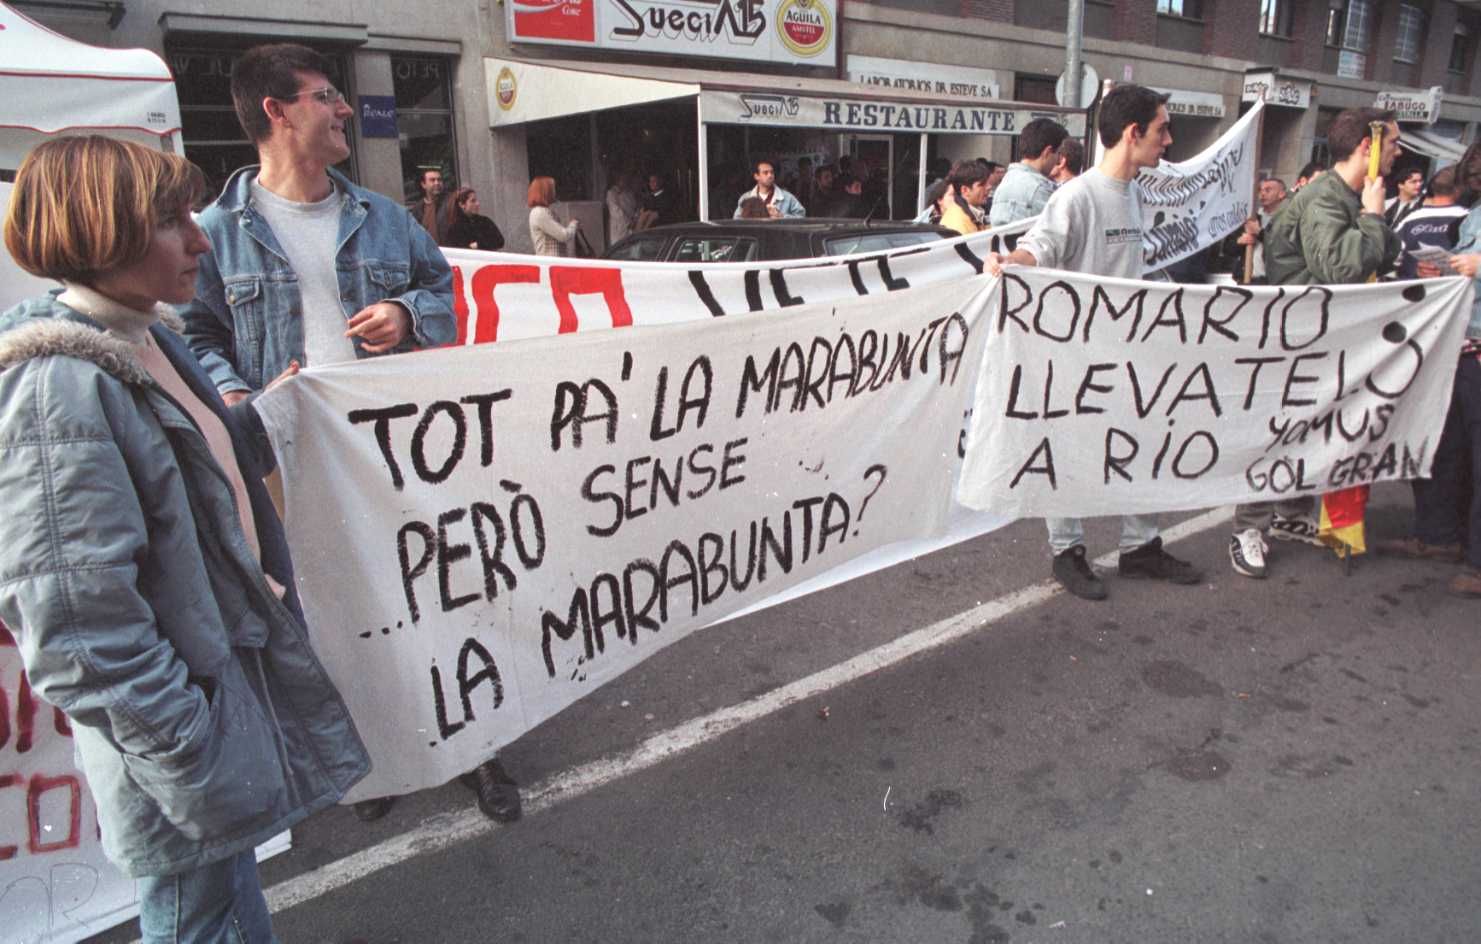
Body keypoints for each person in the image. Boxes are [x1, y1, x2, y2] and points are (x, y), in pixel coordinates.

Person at [0, 135, 370, 943]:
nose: (201, 240)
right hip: (187, 728)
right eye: (174, 223)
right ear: (103, 230)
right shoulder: (56, 390)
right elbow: (77, 627)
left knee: (223, 906)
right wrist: (190, 751)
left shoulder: (148, 337)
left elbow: (194, 471)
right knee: (198, 921)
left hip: (218, 694)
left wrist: (272, 416)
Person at [174, 44, 519, 826]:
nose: (343, 110)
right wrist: (239, 395)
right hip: (288, 460)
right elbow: (193, 335)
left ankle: (478, 744)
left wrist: (406, 316)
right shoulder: (216, 231)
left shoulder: (382, 216)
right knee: (340, 613)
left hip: (398, 453)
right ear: (276, 111)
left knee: (441, 595)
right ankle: (386, 752)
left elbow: (442, 289)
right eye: (326, 96)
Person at [988, 83, 1204, 601]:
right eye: (1162, 129)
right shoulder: (1076, 196)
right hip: (1075, 358)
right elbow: (1038, 248)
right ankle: (1068, 551)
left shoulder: (1134, 192)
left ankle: (1141, 546)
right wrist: (1009, 264)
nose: (1169, 140)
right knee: (1067, 449)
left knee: (1143, 441)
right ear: (1133, 134)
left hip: (1127, 351)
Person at [1230, 107, 1402, 579]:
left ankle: (1287, 509)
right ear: (1367, 148)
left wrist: (1372, 220)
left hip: (1321, 338)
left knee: (1313, 427)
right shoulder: (1329, 198)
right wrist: (1371, 217)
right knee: (1282, 430)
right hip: (1299, 340)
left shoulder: (1345, 195)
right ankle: (1249, 528)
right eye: (1391, 142)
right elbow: (1341, 270)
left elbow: (1385, 252)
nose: (1398, 151)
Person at [1383, 146, 1481, 597]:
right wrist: (1438, 270)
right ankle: (1441, 535)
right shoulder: (1475, 214)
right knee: (1447, 449)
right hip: (1462, 346)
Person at [1389, 166, 1465, 281]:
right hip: (1454, 293)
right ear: (1459, 189)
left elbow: (1391, 259)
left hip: (1411, 292)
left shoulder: (1409, 219)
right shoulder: (1470, 219)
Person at [990, 117, 1069, 227]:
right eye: (1058, 154)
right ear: (1047, 152)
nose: (1059, 160)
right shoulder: (1039, 189)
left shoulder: (1007, 180)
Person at [1221, 175, 1287, 283]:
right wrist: (1240, 242)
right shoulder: (1251, 219)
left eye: (1268, 190)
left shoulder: (1286, 219)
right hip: (1247, 279)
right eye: (1260, 190)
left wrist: (1259, 233)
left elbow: (1282, 245)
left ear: (1281, 194)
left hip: (1273, 281)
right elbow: (1227, 249)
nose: (1263, 193)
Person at [734, 158, 805, 219]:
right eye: (765, 173)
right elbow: (737, 221)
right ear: (756, 176)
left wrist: (782, 216)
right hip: (753, 234)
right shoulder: (746, 198)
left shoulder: (787, 197)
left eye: (772, 172)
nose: (770, 175)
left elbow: (802, 217)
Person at [529, 175, 581, 257]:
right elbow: (563, 235)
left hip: (552, 262)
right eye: (552, 189)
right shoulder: (540, 213)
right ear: (545, 191)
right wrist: (574, 224)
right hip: (549, 262)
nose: (555, 192)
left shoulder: (541, 211)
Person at [441, 187, 505, 251]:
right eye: (473, 201)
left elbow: (499, 241)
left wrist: (477, 244)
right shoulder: (454, 228)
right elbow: (460, 251)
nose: (477, 204)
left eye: (476, 200)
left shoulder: (485, 221)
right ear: (462, 205)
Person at [940, 160, 990, 236]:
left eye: (988, 183)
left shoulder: (972, 214)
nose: (989, 187)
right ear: (965, 190)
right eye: (982, 184)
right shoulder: (957, 223)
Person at [406, 167, 447, 242]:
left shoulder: (449, 203)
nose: (437, 183)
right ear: (423, 184)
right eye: (432, 180)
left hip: (448, 251)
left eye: (439, 180)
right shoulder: (418, 209)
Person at [606, 170, 640, 245]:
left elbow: (636, 208)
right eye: (623, 179)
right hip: (619, 228)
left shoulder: (629, 193)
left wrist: (635, 219)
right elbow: (615, 211)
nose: (625, 181)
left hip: (632, 228)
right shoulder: (611, 193)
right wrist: (629, 222)